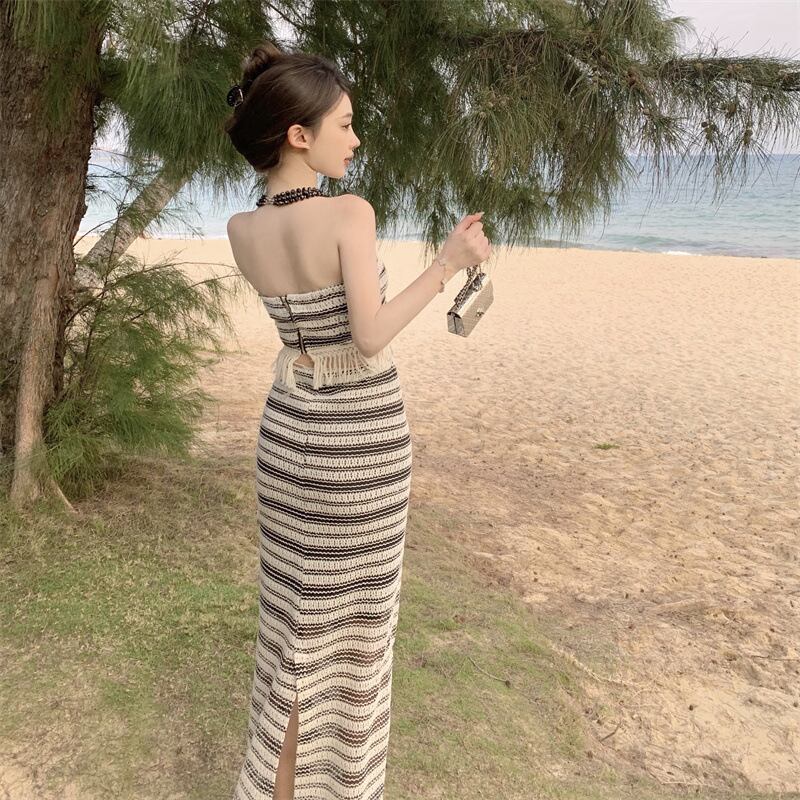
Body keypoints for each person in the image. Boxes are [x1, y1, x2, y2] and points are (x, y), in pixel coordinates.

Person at [224, 41, 491, 800]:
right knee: (353, 646)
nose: (356, 138)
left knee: (291, 634)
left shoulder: (243, 228)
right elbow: (369, 336)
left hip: (287, 434)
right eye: (344, 125)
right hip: (358, 441)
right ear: (298, 134)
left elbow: (309, 329)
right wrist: (447, 263)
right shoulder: (349, 212)